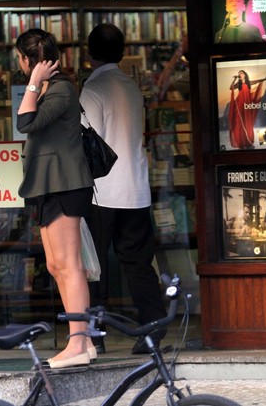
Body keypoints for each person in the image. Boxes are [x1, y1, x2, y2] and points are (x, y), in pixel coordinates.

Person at [80, 24, 166, 355]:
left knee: (93, 266)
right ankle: (153, 331)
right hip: (136, 188)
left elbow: (89, 143)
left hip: (102, 191)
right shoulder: (131, 86)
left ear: (89, 55)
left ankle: (95, 335)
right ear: (122, 52)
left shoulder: (93, 88)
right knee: (140, 264)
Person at [15, 28, 96, 369]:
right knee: (54, 264)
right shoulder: (51, 88)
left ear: (27, 61)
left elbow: (24, 122)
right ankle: (85, 340)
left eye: (20, 59)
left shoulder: (60, 89)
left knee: (69, 264)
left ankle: (78, 341)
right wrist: (36, 82)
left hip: (66, 184)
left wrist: (33, 82)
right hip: (49, 184)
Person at [228, 70, 266, 149]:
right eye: (239, 74)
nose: (240, 74)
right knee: (240, 122)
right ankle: (241, 142)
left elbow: (257, 81)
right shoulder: (239, 84)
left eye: (241, 73)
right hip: (239, 103)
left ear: (244, 75)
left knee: (248, 122)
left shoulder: (248, 82)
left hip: (247, 104)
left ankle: (248, 141)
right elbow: (231, 88)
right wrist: (234, 79)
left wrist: (265, 79)